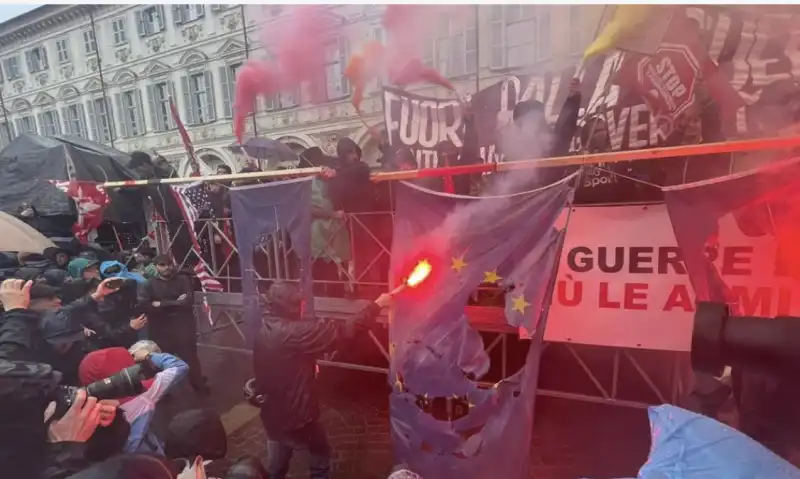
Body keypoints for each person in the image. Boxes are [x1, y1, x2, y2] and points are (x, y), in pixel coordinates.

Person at [252, 281, 393, 479]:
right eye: (298, 303)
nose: (302, 306)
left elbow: (282, 362)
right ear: (287, 306)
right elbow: (343, 331)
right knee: (320, 461)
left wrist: (305, 366)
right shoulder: (292, 332)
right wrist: (377, 305)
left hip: (272, 415)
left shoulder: (265, 327)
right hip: (298, 418)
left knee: (276, 466)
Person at [78, 345, 189, 455]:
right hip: (147, 456)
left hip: (114, 462)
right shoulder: (145, 393)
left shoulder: (84, 412)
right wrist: (148, 355)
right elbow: (179, 366)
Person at [137, 254, 209, 394]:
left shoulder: (183, 279)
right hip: (160, 330)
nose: (167, 268)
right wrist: (175, 302)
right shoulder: (148, 284)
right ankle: (161, 392)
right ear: (156, 266)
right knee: (160, 362)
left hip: (183, 328)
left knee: (191, 360)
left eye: (169, 264)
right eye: (162, 265)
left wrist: (160, 304)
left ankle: (199, 387)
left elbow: (188, 301)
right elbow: (145, 306)